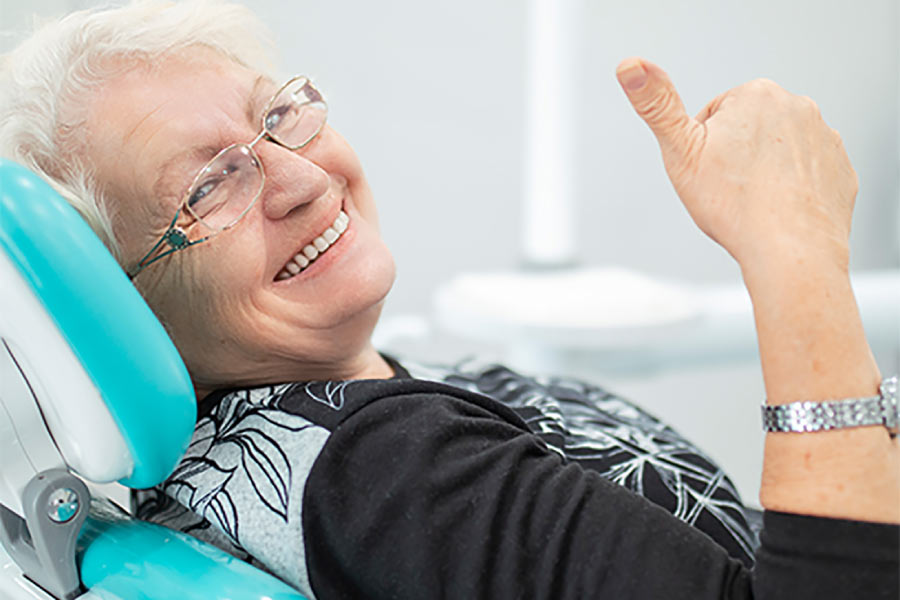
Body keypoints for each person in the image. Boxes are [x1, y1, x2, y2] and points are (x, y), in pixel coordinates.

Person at [0, 1, 897, 599]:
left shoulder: (324, 423)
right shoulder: (385, 470)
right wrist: (796, 254)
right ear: (118, 309)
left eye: (277, 119)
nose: (307, 178)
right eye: (208, 186)